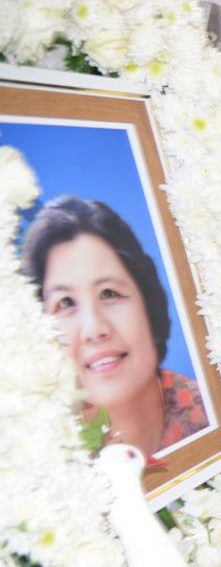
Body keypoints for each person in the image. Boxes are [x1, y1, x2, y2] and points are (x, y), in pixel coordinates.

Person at [21, 196, 209, 458]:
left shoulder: (220, 414)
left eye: (109, 293)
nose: (94, 329)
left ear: (149, 305)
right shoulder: (33, 458)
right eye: (65, 303)